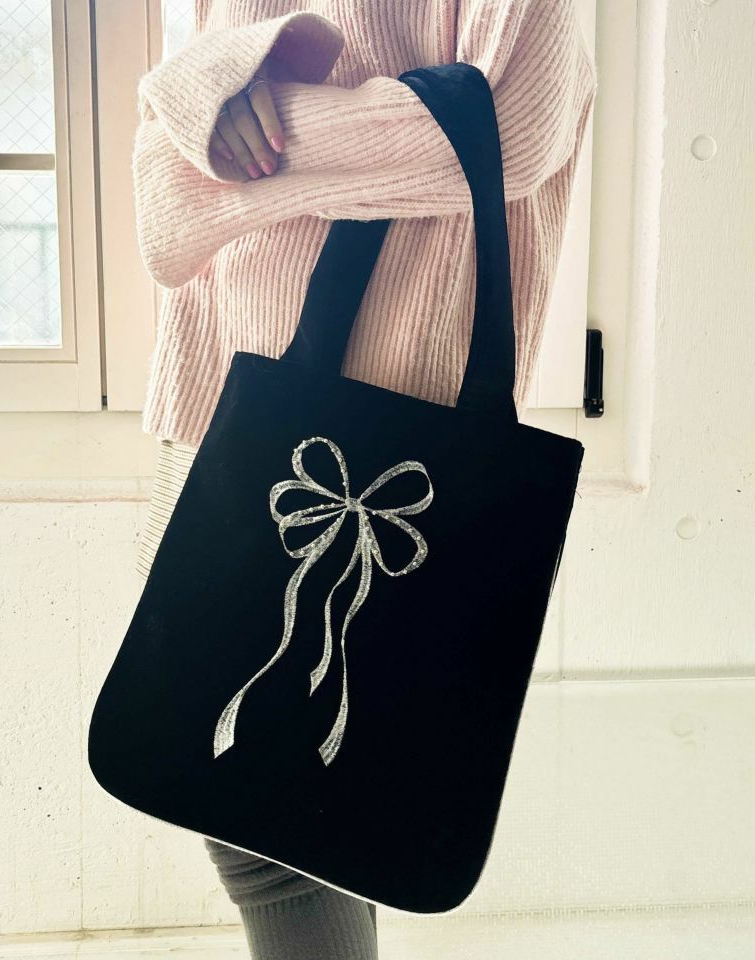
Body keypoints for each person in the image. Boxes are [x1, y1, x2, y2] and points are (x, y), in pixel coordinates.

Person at [132, 1, 598, 957]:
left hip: (393, 431)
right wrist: (199, 105)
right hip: (218, 400)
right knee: (293, 807)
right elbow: (176, 130)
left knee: (280, 813)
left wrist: (225, 162)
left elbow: (510, 128)